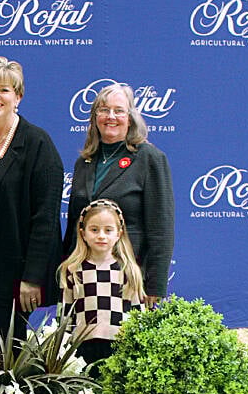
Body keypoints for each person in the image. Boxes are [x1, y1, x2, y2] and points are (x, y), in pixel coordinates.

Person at [0, 57, 64, 354]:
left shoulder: (37, 143)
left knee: (8, 356)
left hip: (18, 275)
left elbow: (46, 216)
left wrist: (32, 277)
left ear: (18, 97)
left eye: (4, 89)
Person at [64, 83, 174, 308]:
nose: (110, 116)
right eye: (103, 110)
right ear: (95, 117)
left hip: (129, 279)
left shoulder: (149, 158)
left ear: (131, 117)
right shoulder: (84, 162)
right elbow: (75, 224)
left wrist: (155, 285)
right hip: (85, 278)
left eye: (118, 110)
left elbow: (161, 228)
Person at [58, 198, 144, 369]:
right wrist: (62, 346)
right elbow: (65, 312)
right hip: (82, 347)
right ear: (83, 233)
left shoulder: (128, 269)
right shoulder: (72, 270)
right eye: (94, 230)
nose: (101, 236)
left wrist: (140, 345)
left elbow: (137, 312)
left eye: (108, 230)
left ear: (118, 233)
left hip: (119, 346)